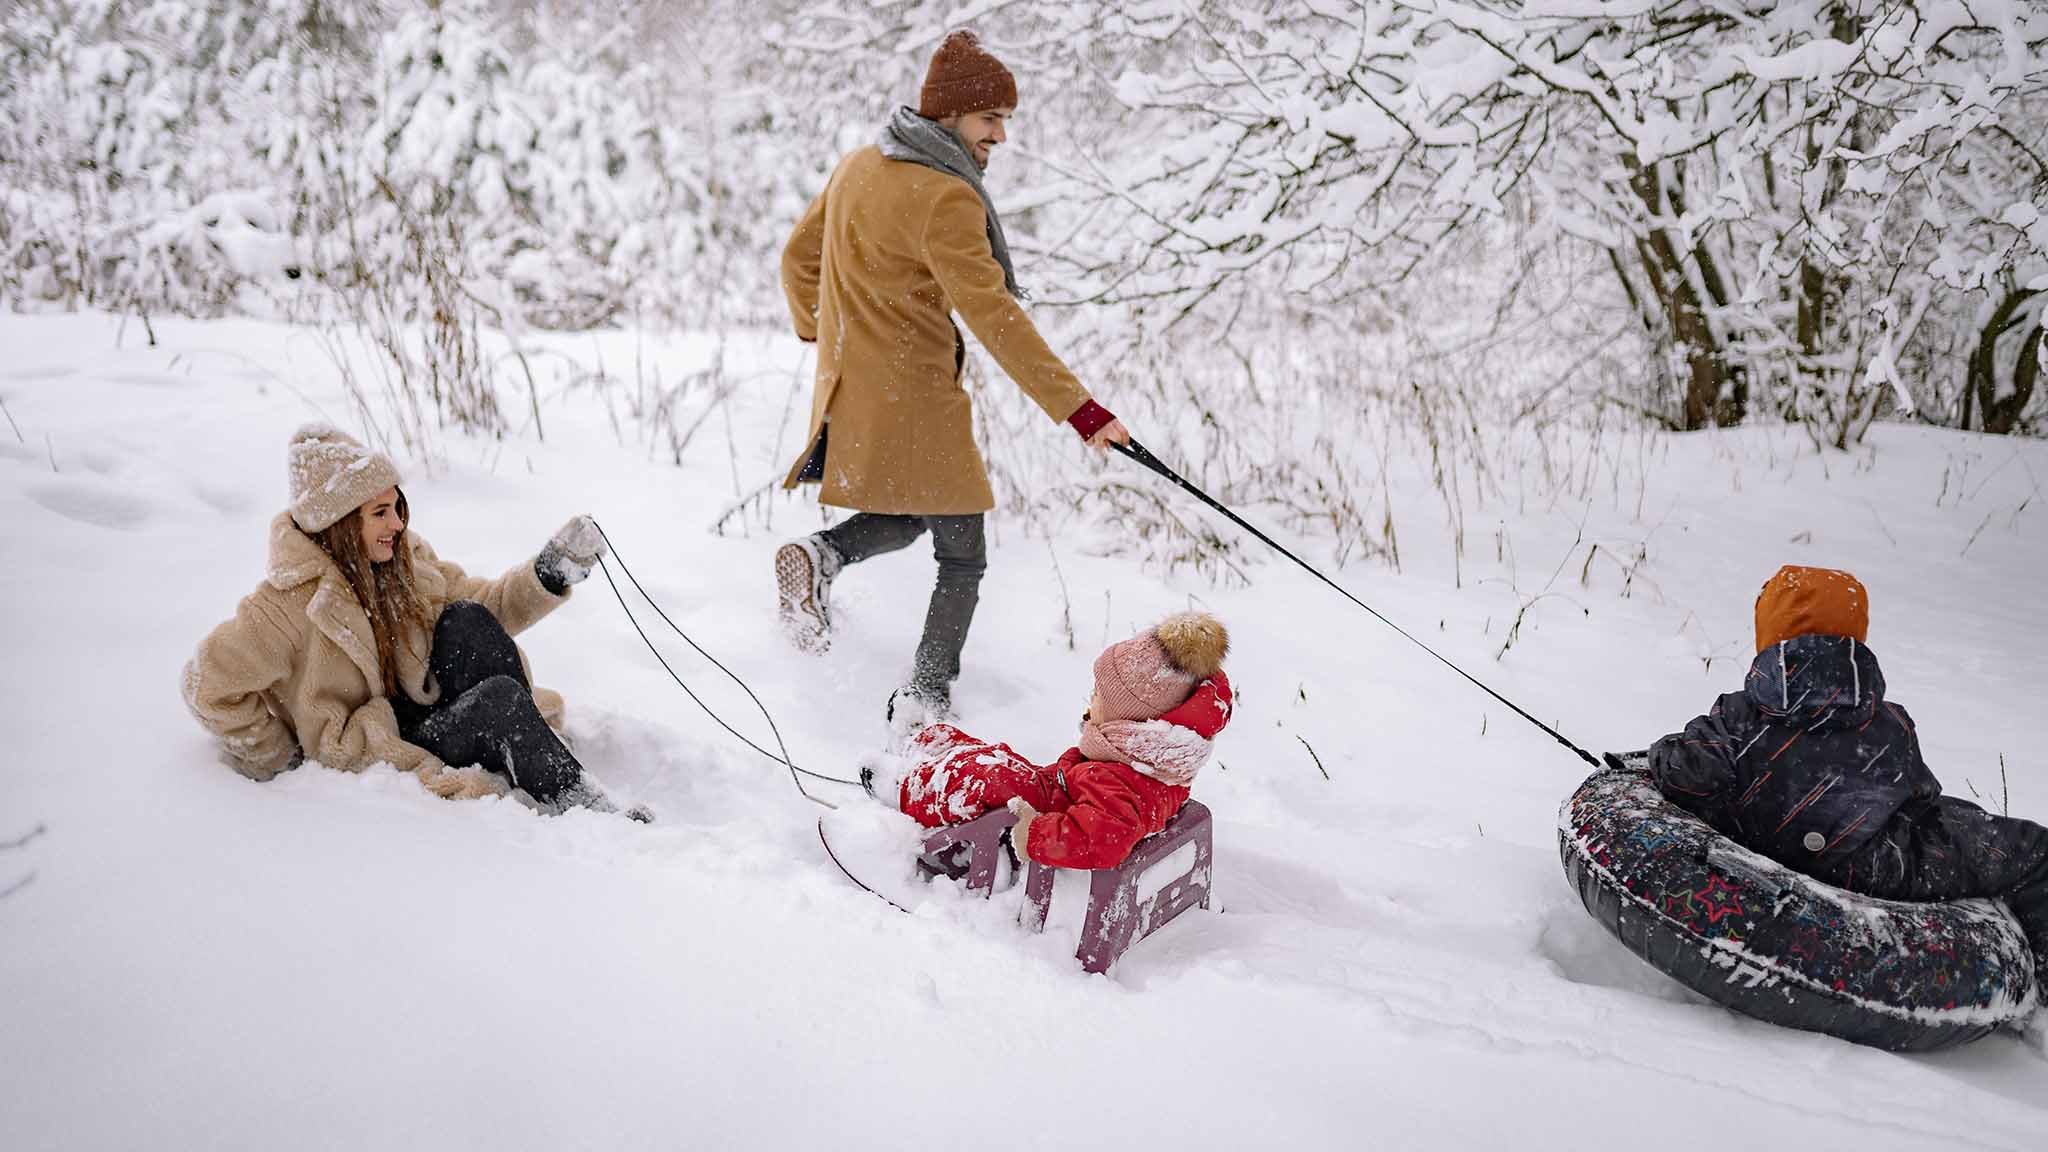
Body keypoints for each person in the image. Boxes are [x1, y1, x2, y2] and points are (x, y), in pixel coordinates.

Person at [773, 28, 1131, 732]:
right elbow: (996, 317)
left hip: (855, 384)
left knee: (917, 513)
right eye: (990, 118)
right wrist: (1081, 411)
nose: (1001, 135)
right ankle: (925, 698)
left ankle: (821, 557)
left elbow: (796, 260)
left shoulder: (859, 165)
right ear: (950, 113)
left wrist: (821, 334)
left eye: (1005, 119)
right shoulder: (947, 198)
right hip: (919, 394)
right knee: (962, 553)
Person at [183, 424, 645, 819]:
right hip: (384, 742)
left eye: (397, 507)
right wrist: (280, 756)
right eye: (380, 513)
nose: (397, 525)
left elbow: (486, 605)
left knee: (467, 620)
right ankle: (585, 807)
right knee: (500, 701)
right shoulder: (286, 606)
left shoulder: (404, 561)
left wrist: (550, 571)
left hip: (427, 704)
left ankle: (532, 754)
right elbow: (207, 686)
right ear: (341, 523)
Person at [1646, 565, 2047, 972]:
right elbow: (1920, 796)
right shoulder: (1891, 722)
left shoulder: (1736, 716)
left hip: (1760, 844)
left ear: (1768, 633)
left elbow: (1689, 774)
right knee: (2032, 851)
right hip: (1877, 868)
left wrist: (1661, 755)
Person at [868, 613, 1231, 871]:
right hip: (1057, 792)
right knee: (995, 757)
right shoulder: (1147, 758)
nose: (1092, 700)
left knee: (986, 777)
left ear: (1129, 717)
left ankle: (903, 789)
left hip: (1045, 813)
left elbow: (1102, 840)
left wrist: (1034, 833)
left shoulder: (1121, 781)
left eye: (1101, 696)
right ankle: (919, 745)